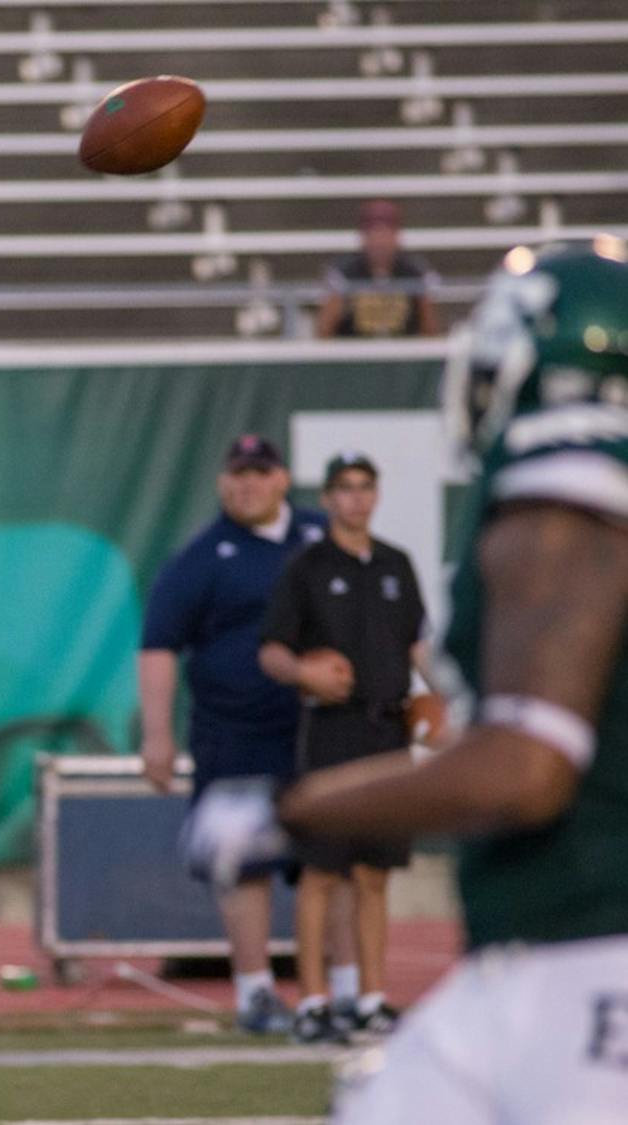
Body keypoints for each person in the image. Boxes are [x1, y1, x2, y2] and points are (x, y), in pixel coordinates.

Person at [184, 239, 628, 1122]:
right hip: (543, 957)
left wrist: (286, 811)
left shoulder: (568, 498)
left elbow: (529, 766)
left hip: (588, 960)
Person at [138, 434, 329, 1034]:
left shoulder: (320, 537)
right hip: (236, 731)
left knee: (332, 859)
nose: (248, 485)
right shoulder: (203, 555)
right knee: (244, 862)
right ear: (223, 482)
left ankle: (338, 992)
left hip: (321, 727)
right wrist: (157, 735)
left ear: (282, 479)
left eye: (259, 473)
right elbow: (159, 644)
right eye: (238, 474)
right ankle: (256, 992)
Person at [258, 452, 434, 1044]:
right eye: (345, 488)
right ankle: (312, 1002)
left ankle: (371, 998)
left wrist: (445, 700)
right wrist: (303, 672)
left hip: (389, 729)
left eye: (365, 487)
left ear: (376, 495)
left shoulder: (395, 564)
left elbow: (416, 645)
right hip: (333, 728)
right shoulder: (307, 567)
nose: (356, 498)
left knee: (375, 872)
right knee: (321, 871)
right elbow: (272, 648)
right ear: (328, 497)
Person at [316, 199, 440, 339]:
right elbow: (324, 331)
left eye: (385, 233)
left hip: (404, 350)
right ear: (363, 236)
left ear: (396, 236)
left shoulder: (416, 271)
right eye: (374, 233)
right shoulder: (343, 273)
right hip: (354, 349)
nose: (380, 241)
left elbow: (431, 331)